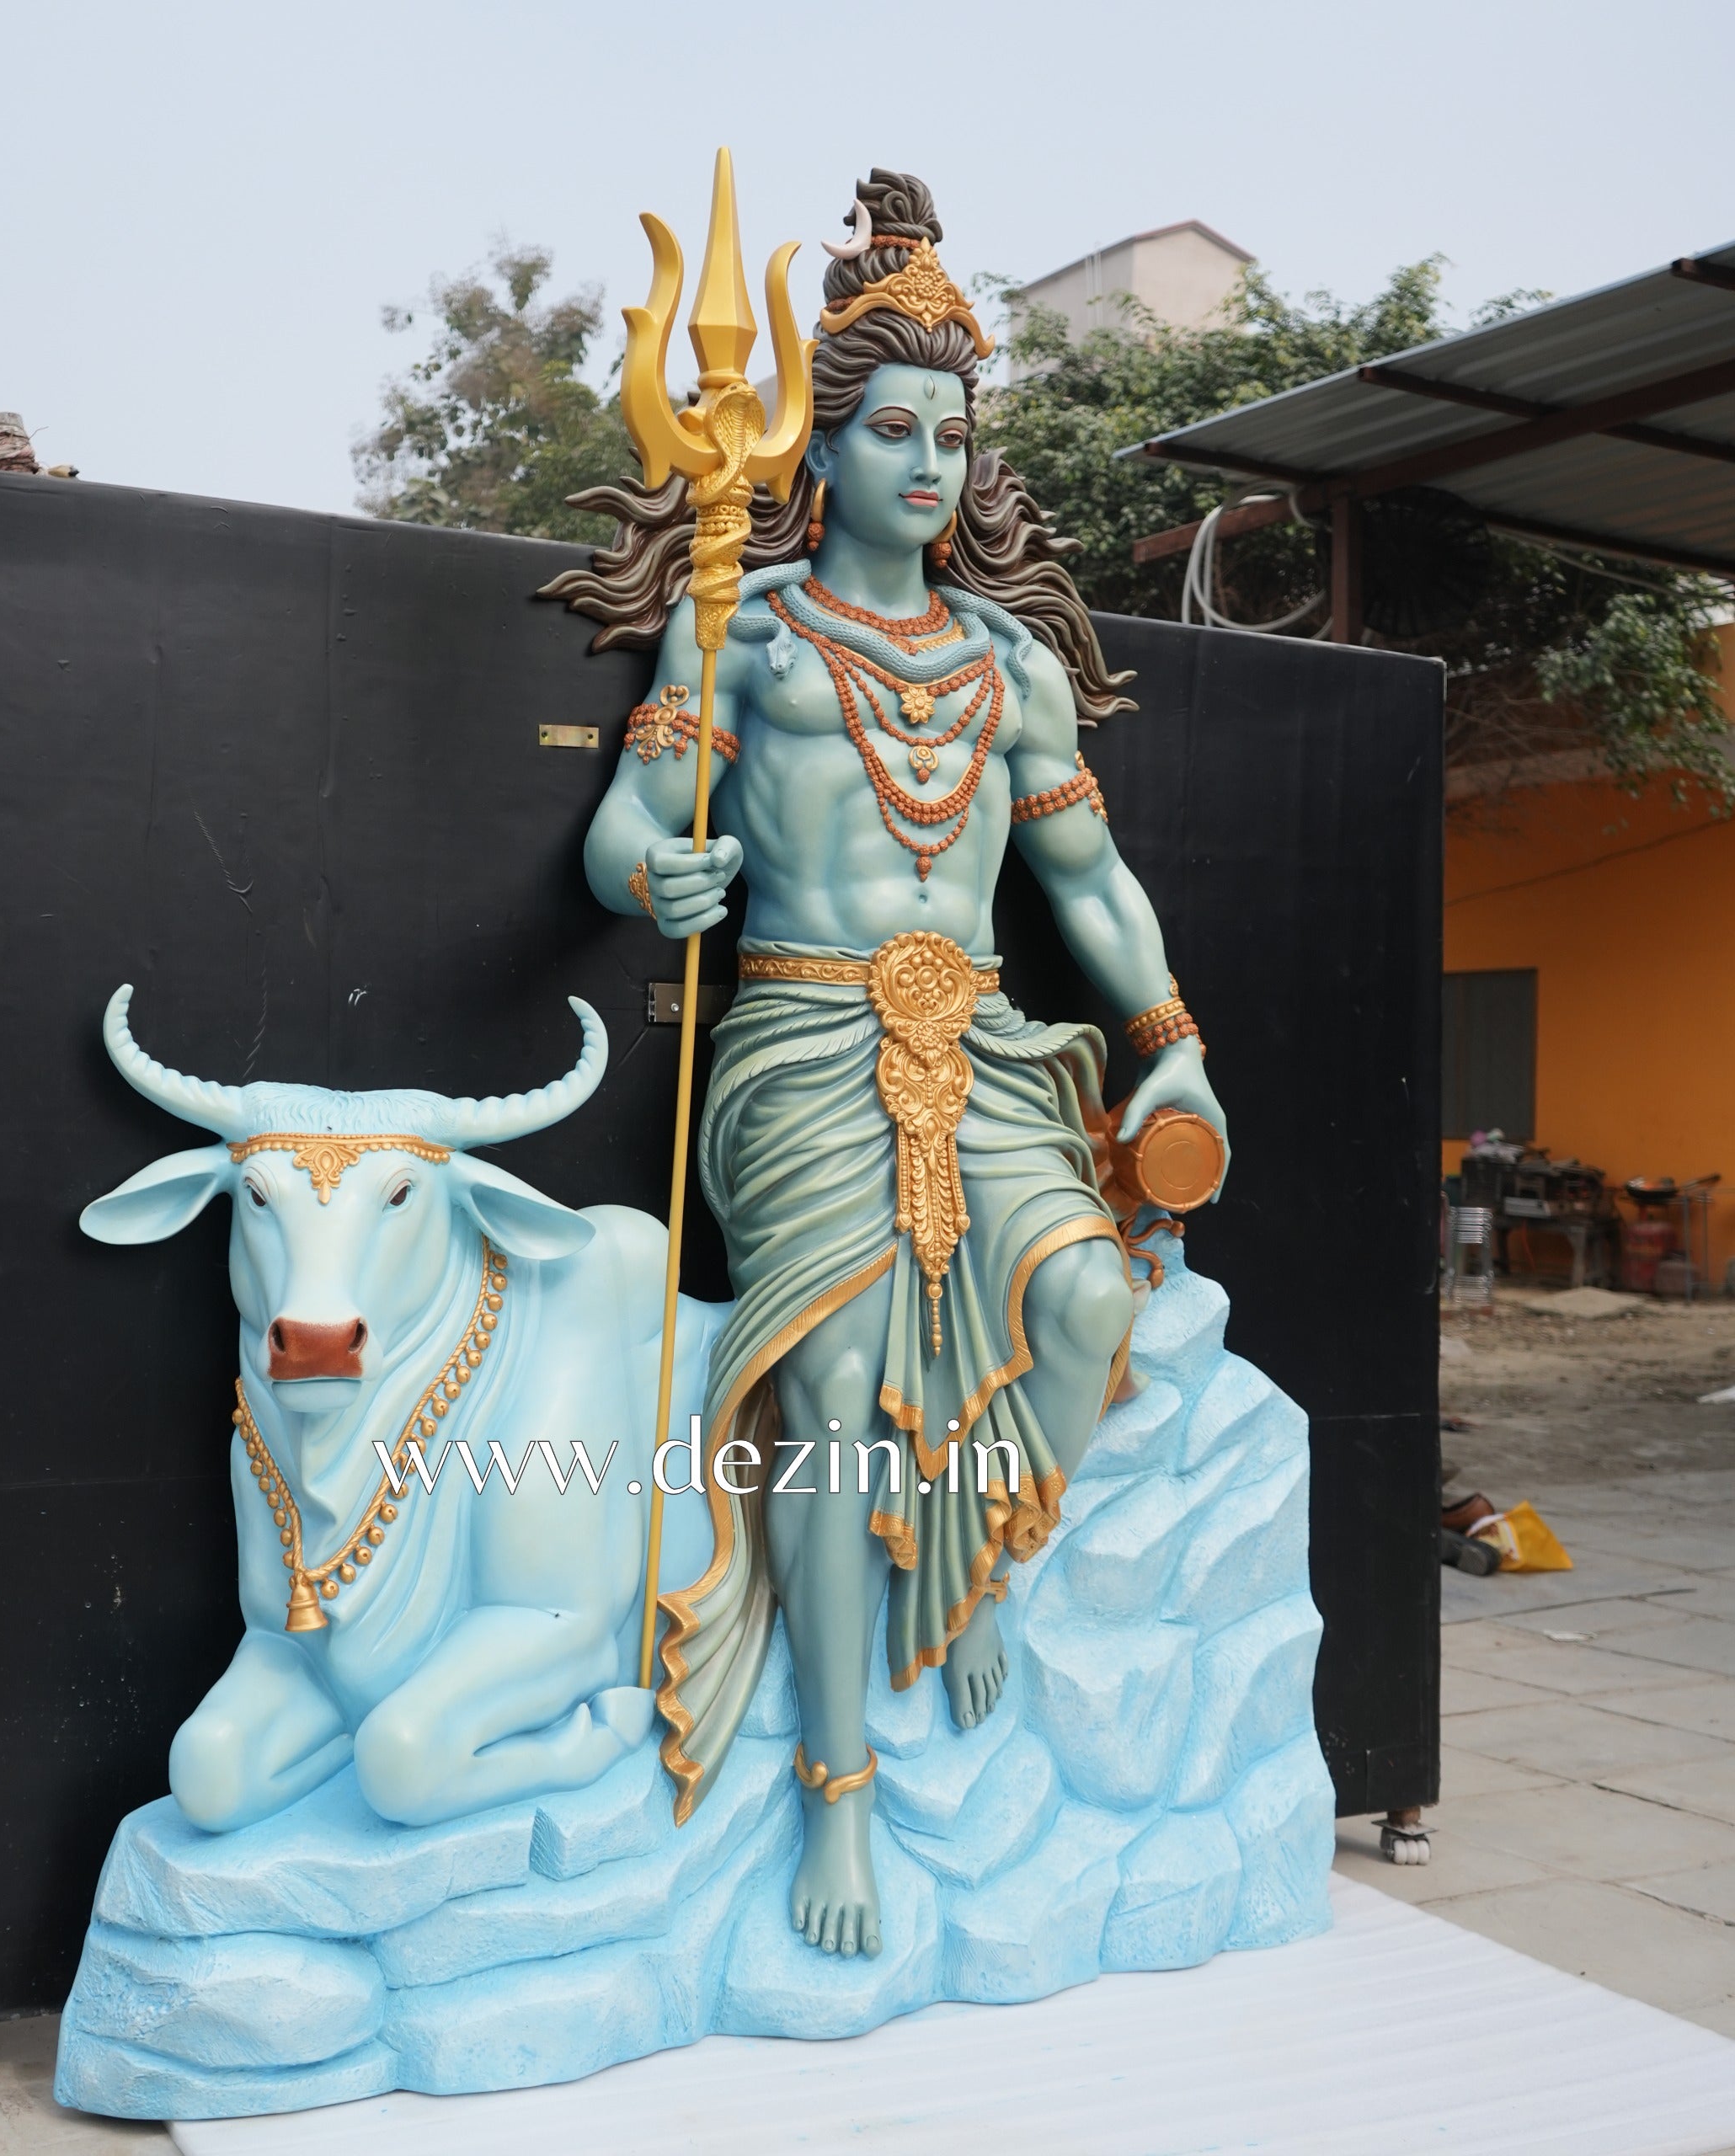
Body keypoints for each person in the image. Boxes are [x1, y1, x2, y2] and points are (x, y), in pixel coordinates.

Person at [554, 169, 1228, 1961]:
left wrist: (1170, 1049)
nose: (929, 463)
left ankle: (969, 1555)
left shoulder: (1012, 666)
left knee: (1085, 1302)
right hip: (796, 1036)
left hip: (988, 1043)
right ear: (824, 448)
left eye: (952, 433)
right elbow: (626, 823)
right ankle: (836, 1787)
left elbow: (1089, 881)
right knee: (838, 1393)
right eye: (892, 430)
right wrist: (652, 876)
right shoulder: (745, 626)